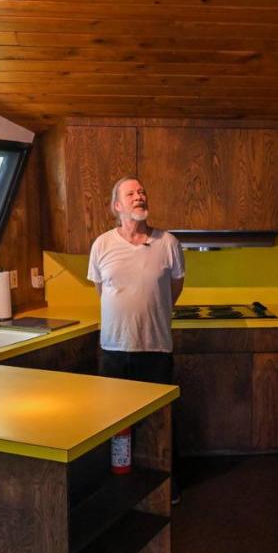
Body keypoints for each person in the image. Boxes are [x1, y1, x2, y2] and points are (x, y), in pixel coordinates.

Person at [87, 175, 185, 503]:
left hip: (155, 347)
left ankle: (165, 489)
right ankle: (119, 488)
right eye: (131, 193)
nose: (139, 196)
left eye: (142, 191)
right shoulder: (101, 245)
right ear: (117, 206)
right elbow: (103, 289)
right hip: (114, 348)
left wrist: (153, 309)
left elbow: (175, 288)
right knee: (115, 423)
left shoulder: (167, 243)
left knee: (160, 424)